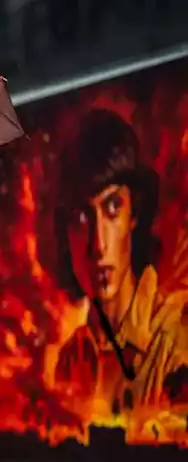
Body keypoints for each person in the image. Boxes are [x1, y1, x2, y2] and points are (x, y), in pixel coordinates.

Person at [50, 110, 188, 442]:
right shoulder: (71, 359)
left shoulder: (175, 341)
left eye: (112, 208)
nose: (98, 245)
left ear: (134, 215)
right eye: (82, 218)